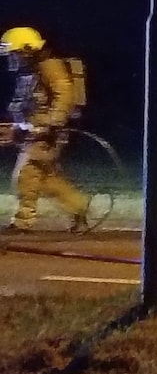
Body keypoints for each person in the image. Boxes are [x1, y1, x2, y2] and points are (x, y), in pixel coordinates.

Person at [0, 27, 90, 234]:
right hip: (34, 131)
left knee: (26, 174)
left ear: (27, 51)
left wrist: (51, 123)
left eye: (14, 54)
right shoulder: (31, 72)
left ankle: (23, 221)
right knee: (46, 179)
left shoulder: (50, 67)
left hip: (46, 134)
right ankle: (78, 208)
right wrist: (17, 127)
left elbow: (64, 94)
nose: (12, 59)